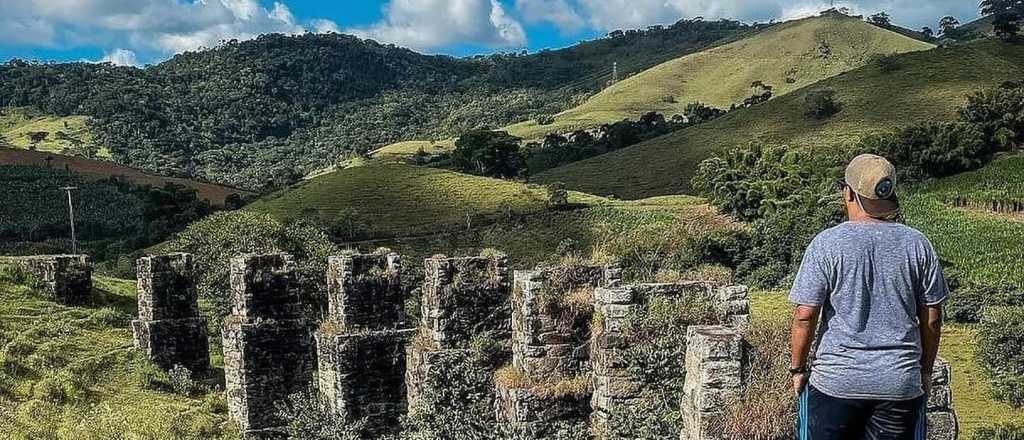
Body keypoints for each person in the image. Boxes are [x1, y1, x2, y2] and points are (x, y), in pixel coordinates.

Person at [789, 154, 948, 440]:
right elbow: (933, 319)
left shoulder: (826, 244)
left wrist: (798, 369)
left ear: (848, 192)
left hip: (836, 383)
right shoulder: (917, 244)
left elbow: (805, 315)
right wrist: (925, 371)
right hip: (899, 384)